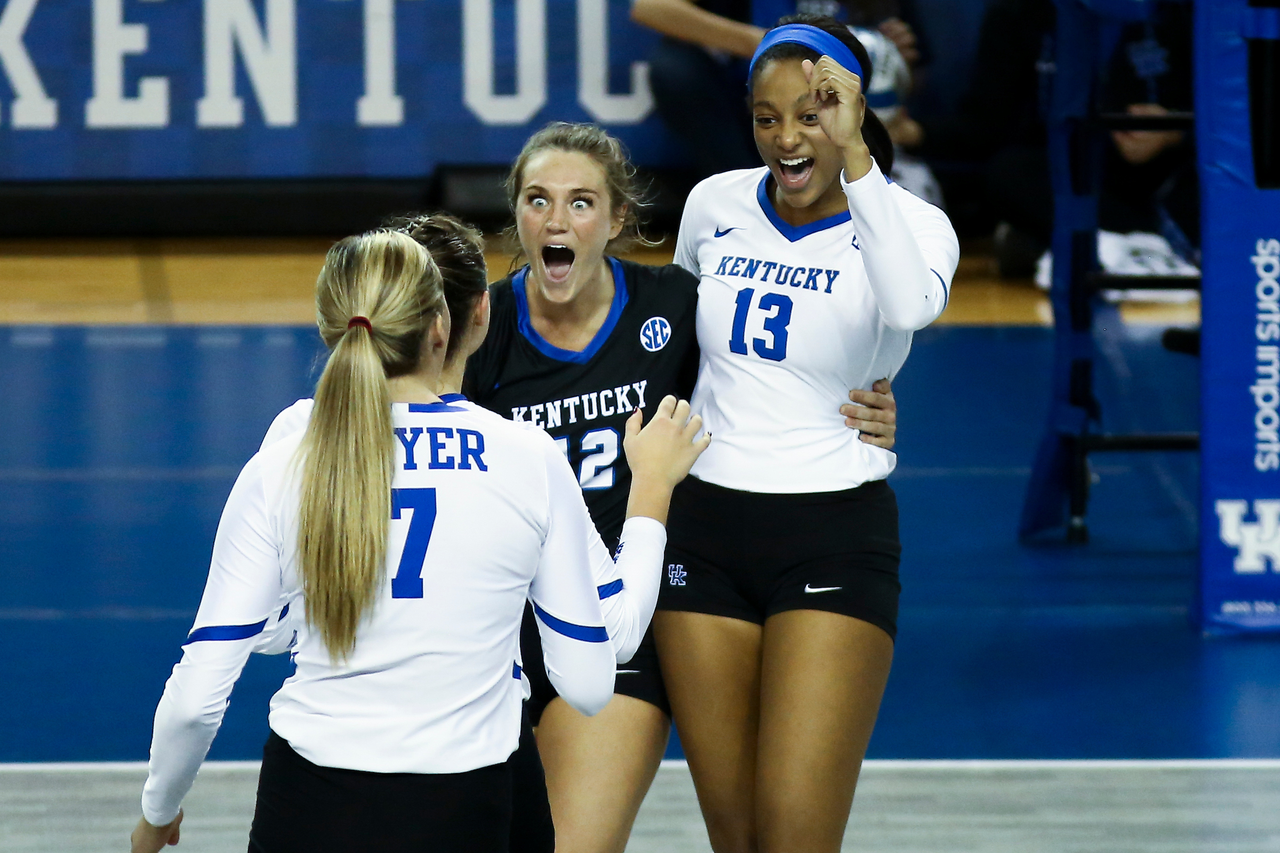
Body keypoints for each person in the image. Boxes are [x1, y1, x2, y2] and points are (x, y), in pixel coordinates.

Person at [129, 229, 708, 853]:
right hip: (470, 802)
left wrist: (157, 813)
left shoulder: (285, 457)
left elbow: (196, 700)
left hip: (309, 804)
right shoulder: (525, 458)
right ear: (441, 326)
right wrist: (652, 490)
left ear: (332, 328)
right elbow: (592, 680)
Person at [460, 121, 902, 853]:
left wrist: (869, 404)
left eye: (580, 202)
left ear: (617, 219)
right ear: (517, 215)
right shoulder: (480, 325)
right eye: (538, 200)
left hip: (613, 627)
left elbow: (774, 372)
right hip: (488, 623)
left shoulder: (675, 306)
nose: (557, 220)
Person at [654, 15, 958, 853]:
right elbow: (679, 342)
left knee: (796, 834)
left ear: (854, 112)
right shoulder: (714, 203)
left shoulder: (913, 221)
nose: (787, 137)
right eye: (767, 117)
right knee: (737, 835)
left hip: (831, 533)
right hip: (703, 531)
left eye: (813, 114)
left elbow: (909, 307)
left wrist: (857, 157)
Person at [630, 0, 931, 182]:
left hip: (842, 111)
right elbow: (650, 7)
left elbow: (916, 74)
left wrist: (895, 63)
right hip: (751, 107)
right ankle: (745, 193)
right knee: (675, 68)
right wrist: (769, 43)